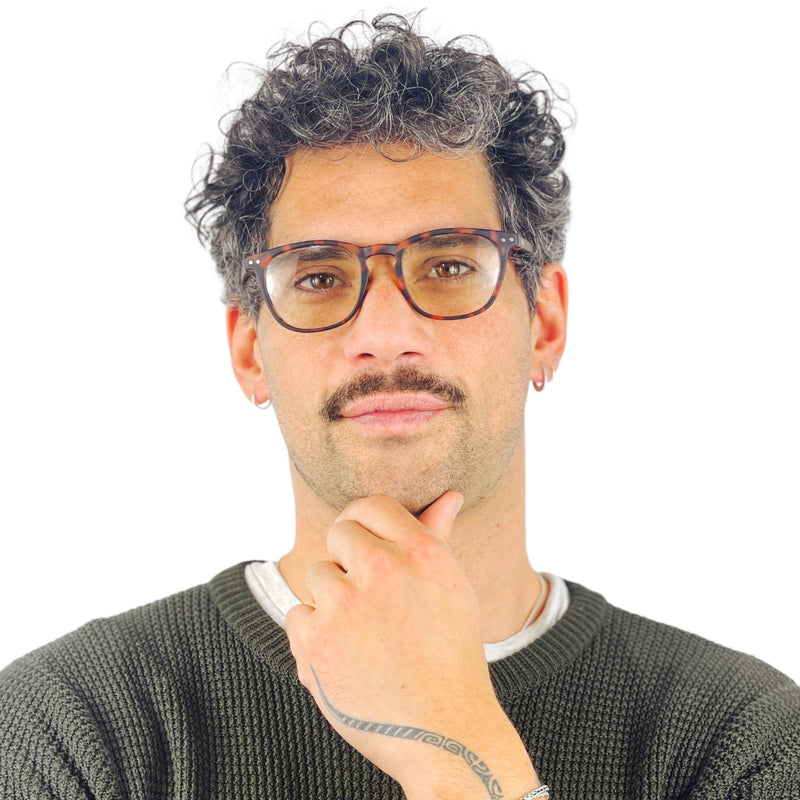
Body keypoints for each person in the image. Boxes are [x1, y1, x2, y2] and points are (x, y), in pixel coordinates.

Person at [1, 14, 798, 800]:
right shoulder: (66, 728)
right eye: (318, 278)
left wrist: (455, 748)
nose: (385, 334)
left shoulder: (743, 742)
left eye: (448, 266)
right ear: (249, 351)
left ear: (545, 324)